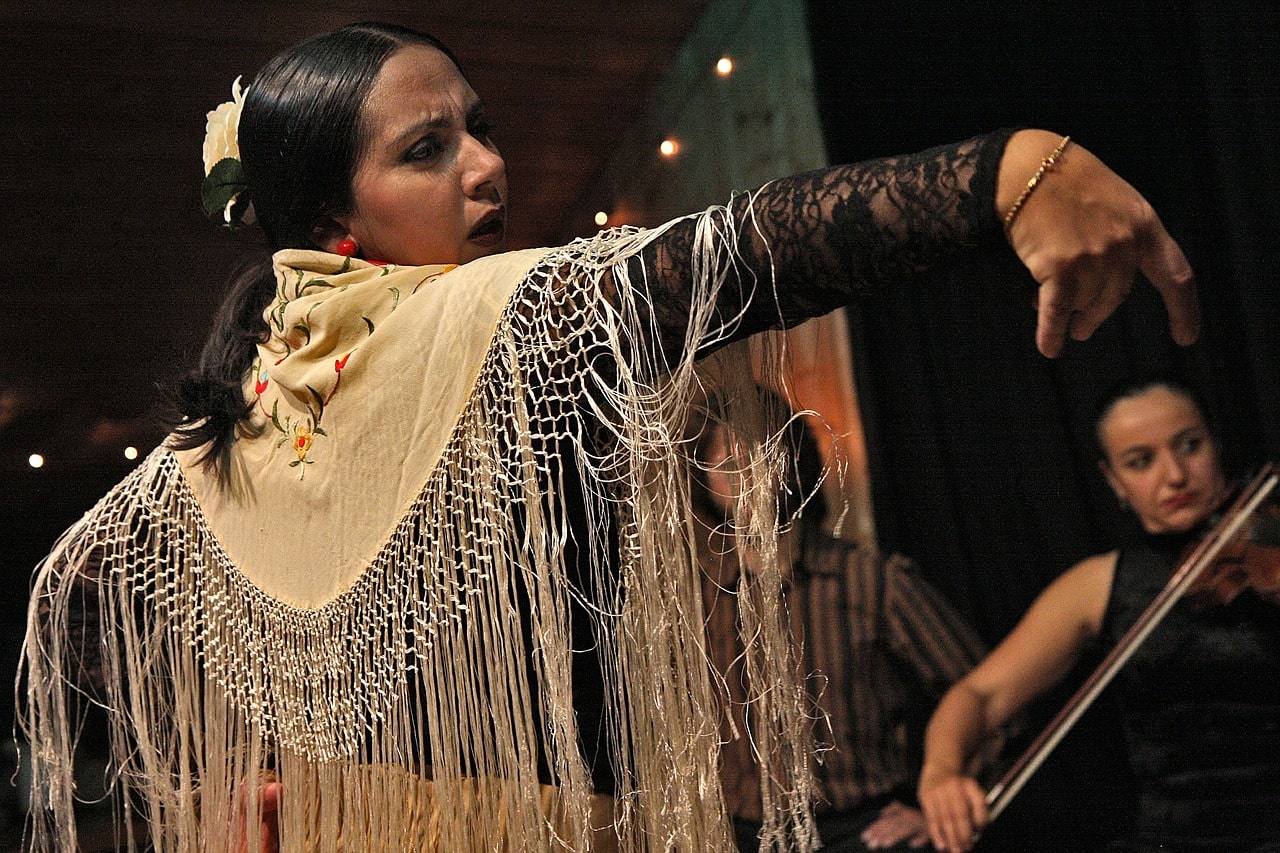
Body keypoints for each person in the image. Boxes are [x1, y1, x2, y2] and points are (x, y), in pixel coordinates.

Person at [18, 20, 1199, 852]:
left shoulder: (223, 436)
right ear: (331, 211)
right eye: (427, 150)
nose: (488, 167)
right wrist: (998, 176)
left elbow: (72, 587)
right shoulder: (484, 321)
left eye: (476, 128)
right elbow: (730, 258)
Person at [917, 377, 1280, 852]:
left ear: (1217, 445)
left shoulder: (1269, 548)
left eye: (1190, 446)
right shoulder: (1098, 584)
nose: (1174, 475)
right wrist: (940, 772)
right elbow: (979, 695)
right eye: (1140, 461)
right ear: (1114, 481)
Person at [693, 402, 995, 852]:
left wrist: (939, 807)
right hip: (739, 836)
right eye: (726, 463)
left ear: (790, 462)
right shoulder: (701, 600)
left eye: (757, 453)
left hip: (860, 829)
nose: (743, 474)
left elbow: (988, 697)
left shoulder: (871, 578)